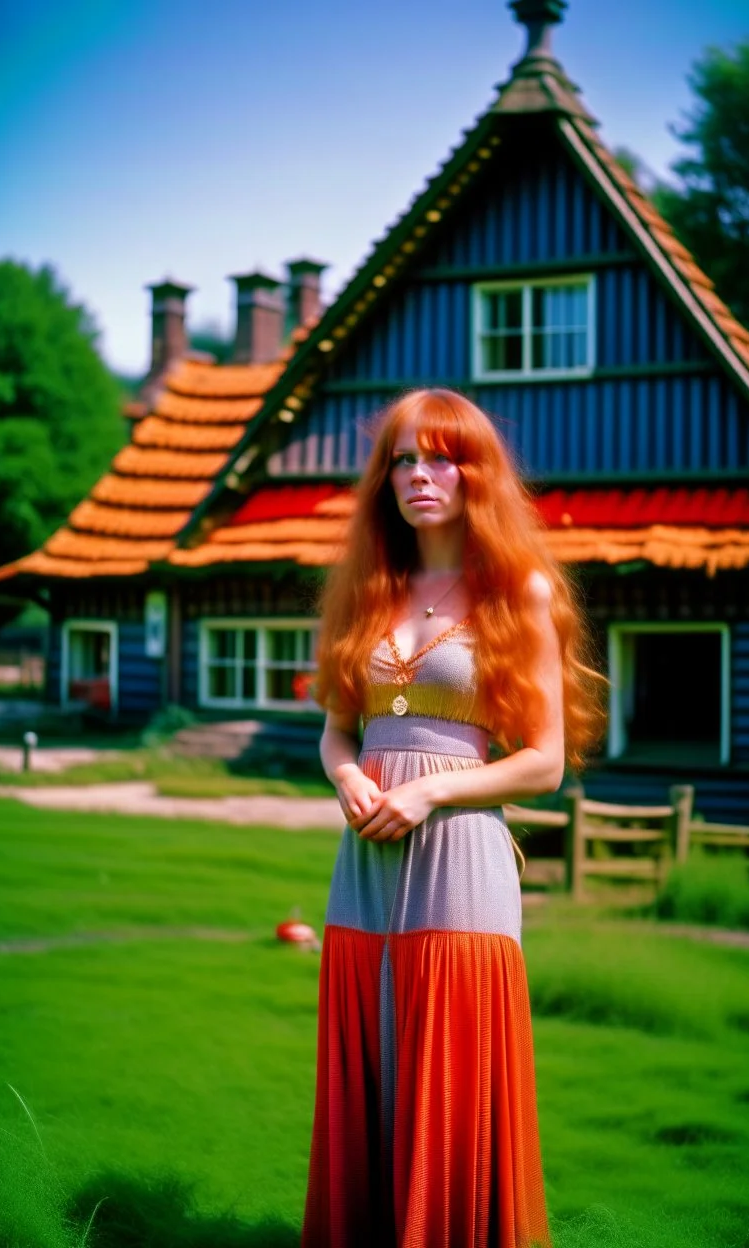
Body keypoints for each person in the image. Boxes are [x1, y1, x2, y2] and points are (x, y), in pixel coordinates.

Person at [301, 388, 604, 1248]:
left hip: (462, 856)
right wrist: (348, 776)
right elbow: (334, 733)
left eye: (441, 457)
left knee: (451, 1063)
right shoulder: (367, 588)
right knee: (374, 1044)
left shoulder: (520, 591)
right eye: (403, 458)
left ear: (476, 473)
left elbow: (544, 763)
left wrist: (430, 790)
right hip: (363, 864)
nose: (420, 475)